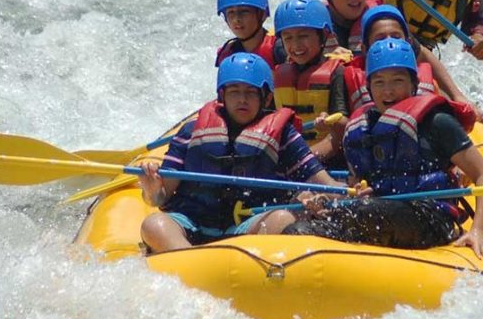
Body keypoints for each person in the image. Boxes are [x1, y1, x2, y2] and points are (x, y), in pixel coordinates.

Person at [283, 39, 483, 267]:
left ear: (413, 84)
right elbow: (357, 187)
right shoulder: (360, 130)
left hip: (430, 218)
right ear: (369, 88)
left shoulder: (438, 122)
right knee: (297, 231)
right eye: (379, 82)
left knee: (366, 212)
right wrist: (326, 200)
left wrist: (478, 230)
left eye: (398, 81)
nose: (388, 91)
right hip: (376, 213)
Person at [137, 53, 340, 253]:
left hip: (249, 226)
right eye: (234, 92)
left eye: (251, 92)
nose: (242, 100)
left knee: (283, 219)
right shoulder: (190, 132)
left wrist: (349, 192)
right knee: (154, 224)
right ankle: (188, 260)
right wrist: (152, 189)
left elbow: (324, 182)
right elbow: (159, 199)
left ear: (267, 97)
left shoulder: (284, 135)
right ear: (222, 95)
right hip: (191, 223)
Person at [343, 5, 483, 120]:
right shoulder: (346, 77)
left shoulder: (414, 63)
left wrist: (458, 97)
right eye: (380, 39)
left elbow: (423, 53)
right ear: (365, 49)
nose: (390, 43)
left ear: (408, 43)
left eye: (396, 37)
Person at [271, 0, 349, 167]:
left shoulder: (337, 73)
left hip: (328, 159)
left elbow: (342, 131)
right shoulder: (279, 74)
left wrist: (329, 121)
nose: (296, 45)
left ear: (323, 36)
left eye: (303, 36)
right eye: (288, 38)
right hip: (290, 158)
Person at [213, 0, 284, 68]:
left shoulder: (279, 49)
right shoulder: (227, 53)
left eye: (244, 11)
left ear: (262, 14)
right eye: (231, 12)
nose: (236, 19)